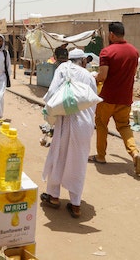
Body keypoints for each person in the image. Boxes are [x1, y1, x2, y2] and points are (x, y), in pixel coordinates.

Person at [40, 48, 97, 218]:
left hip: (65, 121)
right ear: (83, 61)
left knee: (58, 156)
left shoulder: (63, 69)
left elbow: (51, 93)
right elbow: (93, 101)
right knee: (78, 162)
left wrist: (49, 114)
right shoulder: (88, 75)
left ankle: (54, 196)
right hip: (84, 124)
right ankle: (76, 204)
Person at [93, 21, 140, 175]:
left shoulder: (107, 52)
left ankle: (101, 156)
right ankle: (135, 153)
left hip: (108, 98)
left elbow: (102, 76)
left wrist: (92, 78)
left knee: (101, 124)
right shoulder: (134, 52)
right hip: (125, 98)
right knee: (124, 126)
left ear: (111, 35)